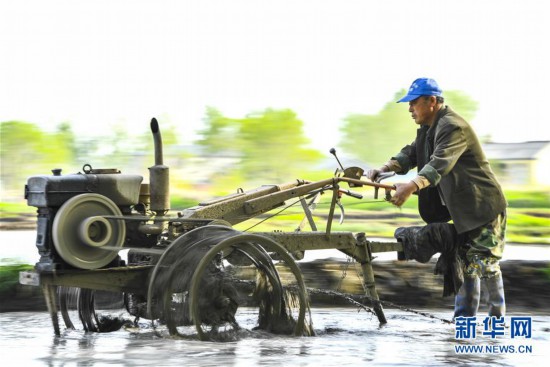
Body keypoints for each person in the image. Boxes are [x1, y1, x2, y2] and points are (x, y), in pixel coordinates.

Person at [366, 78, 507, 320]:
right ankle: (463, 322)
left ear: (432, 101)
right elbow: (412, 153)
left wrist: (411, 186)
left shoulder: (453, 127)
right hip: (462, 212)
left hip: (483, 208)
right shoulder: (430, 129)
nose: (410, 109)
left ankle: (498, 322)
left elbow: (439, 163)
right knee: (464, 265)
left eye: (413, 103)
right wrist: (385, 167)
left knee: (484, 263)